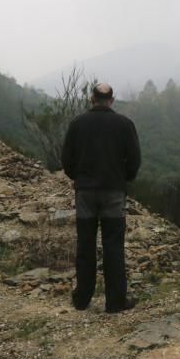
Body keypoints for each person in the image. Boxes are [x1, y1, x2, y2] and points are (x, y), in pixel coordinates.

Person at [61, 83, 141, 313]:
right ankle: (115, 301)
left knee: (85, 244)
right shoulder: (124, 124)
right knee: (113, 245)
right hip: (113, 192)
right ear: (112, 100)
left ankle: (82, 299)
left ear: (91, 99)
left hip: (85, 192)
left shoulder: (78, 124)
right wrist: (123, 179)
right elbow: (134, 160)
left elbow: (67, 159)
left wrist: (77, 177)